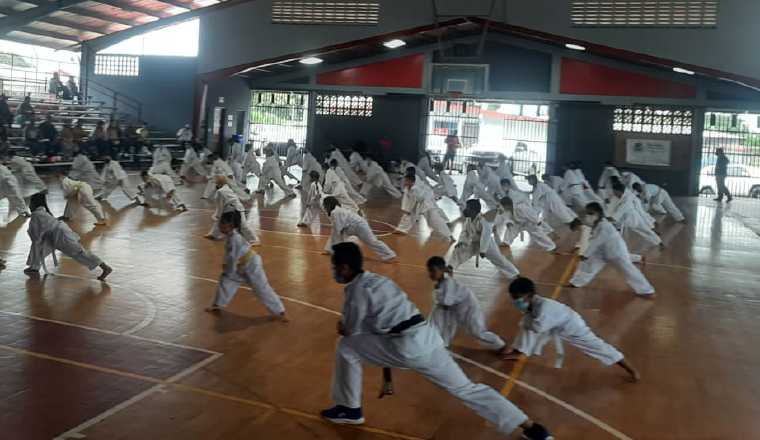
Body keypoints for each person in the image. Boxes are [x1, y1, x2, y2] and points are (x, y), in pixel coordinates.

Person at [321, 243, 553, 440]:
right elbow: (383, 332)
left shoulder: (355, 291)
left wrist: (343, 327)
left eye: (334, 267)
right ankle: (531, 427)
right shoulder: (379, 281)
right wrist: (387, 374)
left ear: (344, 267)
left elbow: (351, 331)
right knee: (467, 389)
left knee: (346, 347)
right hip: (428, 340)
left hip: (406, 347)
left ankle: (350, 408)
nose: (333, 271)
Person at [504, 277, 640, 382]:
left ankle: (632, 370)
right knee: (525, 324)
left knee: (596, 346)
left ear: (529, 295)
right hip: (556, 323)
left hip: (572, 325)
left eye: (517, 298)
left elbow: (538, 329)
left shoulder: (543, 309)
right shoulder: (533, 303)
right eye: (513, 297)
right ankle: (519, 351)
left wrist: (528, 322)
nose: (515, 301)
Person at [205, 211, 288, 321]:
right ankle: (217, 305)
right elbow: (231, 257)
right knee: (226, 280)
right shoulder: (231, 236)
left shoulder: (235, 238)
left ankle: (280, 311)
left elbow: (232, 258)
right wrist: (228, 269)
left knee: (261, 288)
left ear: (230, 225)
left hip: (252, 265)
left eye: (222, 223)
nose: (219, 226)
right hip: (240, 265)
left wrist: (228, 270)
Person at [568, 202, 655, 296]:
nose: (588, 215)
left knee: (629, 270)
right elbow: (584, 223)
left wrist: (585, 254)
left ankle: (647, 290)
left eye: (591, 213)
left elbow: (596, 241)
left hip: (616, 251)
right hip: (601, 251)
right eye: (588, 213)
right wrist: (576, 221)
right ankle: (576, 282)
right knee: (589, 266)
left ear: (598, 214)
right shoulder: (596, 222)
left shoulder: (605, 226)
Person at [24, 193, 113, 280]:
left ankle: (105, 267)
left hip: (61, 236)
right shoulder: (42, 211)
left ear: (34, 204)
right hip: (55, 235)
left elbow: (35, 235)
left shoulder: (37, 214)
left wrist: (37, 240)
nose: (29, 206)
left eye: (30, 203)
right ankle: (34, 267)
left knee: (79, 253)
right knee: (39, 248)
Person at [427, 256, 506, 352]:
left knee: (477, 332)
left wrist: (437, 291)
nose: (430, 274)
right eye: (429, 271)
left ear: (442, 270)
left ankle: (500, 345)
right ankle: (442, 343)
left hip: (470, 309)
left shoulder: (448, 283)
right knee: (443, 321)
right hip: (456, 309)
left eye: (433, 271)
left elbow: (447, 302)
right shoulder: (443, 282)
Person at [449, 199, 520, 278]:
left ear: (473, 211)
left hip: (487, 245)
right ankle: (450, 267)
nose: (464, 210)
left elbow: (486, 234)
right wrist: (461, 241)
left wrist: (483, 250)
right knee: (458, 250)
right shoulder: (468, 220)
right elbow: (464, 232)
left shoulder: (483, 220)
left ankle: (515, 273)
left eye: (467, 209)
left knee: (499, 260)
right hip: (473, 242)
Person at [322, 196, 396, 262]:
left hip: (360, 226)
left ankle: (390, 255)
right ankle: (330, 250)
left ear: (328, 204)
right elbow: (337, 230)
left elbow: (338, 229)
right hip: (351, 227)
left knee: (372, 241)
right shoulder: (336, 210)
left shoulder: (336, 212)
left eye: (325, 205)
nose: (324, 207)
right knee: (337, 235)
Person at [396, 173, 454, 241]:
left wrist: (408, 209)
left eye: (406, 181)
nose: (404, 182)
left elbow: (417, 198)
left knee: (435, 220)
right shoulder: (409, 187)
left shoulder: (416, 189)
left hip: (427, 205)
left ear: (411, 181)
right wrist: (407, 209)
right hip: (418, 204)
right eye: (405, 181)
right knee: (408, 215)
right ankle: (401, 229)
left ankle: (449, 235)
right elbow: (407, 199)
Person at [607, 182, 662, 249]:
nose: (614, 193)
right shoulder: (625, 194)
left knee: (645, 230)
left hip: (631, 221)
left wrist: (603, 219)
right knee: (647, 230)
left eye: (614, 192)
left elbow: (614, 218)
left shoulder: (625, 201)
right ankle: (659, 242)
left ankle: (658, 239)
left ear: (619, 191)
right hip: (634, 217)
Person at [205, 176, 259, 244]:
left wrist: (217, 215)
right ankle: (213, 234)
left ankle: (254, 240)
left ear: (218, 184)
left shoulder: (220, 192)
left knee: (243, 225)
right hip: (234, 208)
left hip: (235, 209)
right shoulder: (228, 188)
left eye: (216, 183)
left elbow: (220, 206)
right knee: (220, 220)